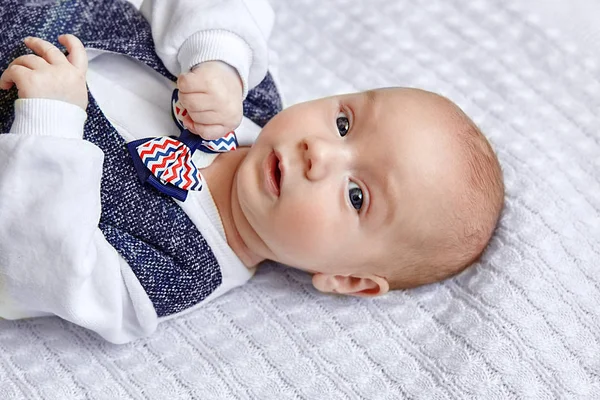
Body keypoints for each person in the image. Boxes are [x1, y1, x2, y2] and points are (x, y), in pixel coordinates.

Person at [0, 0, 504, 343]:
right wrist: (218, 57)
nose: (320, 153)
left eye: (356, 196)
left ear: (349, 279)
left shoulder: (180, 271)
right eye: (344, 123)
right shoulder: (249, 99)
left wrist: (51, 124)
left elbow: (45, 271)